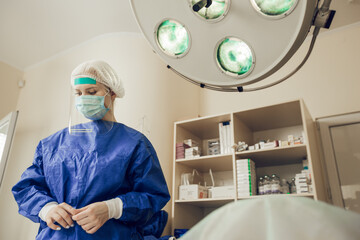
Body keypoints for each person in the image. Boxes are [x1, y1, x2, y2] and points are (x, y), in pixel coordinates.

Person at [12, 60, 171, 240]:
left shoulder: (135, 143)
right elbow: (26, 187)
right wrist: (47, 208)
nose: (83, 98)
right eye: (78, 93)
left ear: (112, 93)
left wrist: (112, 208)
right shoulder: (51, 144)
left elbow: (153, 195)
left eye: (91, 92)